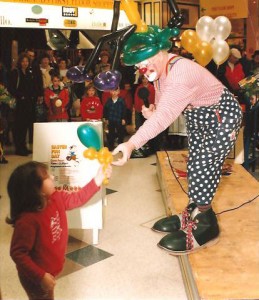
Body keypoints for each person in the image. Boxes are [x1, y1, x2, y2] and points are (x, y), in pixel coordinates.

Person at [112, 31, 242, 255]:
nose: (143, 70)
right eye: (139, 66)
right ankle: (194, 212)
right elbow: (163, 99)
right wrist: (154, 111)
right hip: (200, 117)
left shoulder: (181, 73)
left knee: (204, 166)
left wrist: (131, 144)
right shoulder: (164, 68)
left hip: (221, 117)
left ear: (161, 52)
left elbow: (166, 116)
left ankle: (207, 224)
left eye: (146, 63)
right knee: (194, 166)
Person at [6, 160, 112, 300]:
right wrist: (41, 276)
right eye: (47, 176)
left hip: (49, 271)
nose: (52, 177)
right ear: (36, 190)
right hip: (34, 278)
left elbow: (77, 198)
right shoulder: (27, 221)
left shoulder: (56, 197)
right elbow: (18, 253)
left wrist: (97, 179)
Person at [8, 53, 41, 156]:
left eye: (27, 61)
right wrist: (20, 96)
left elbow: (33, 86)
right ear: (20, 62)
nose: (25, 63)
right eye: (23, 61)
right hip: (19, 103)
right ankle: (19, 148)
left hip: (28, 103)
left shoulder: (29, 72)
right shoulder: (15, 72)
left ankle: (24, 147)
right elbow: (11, 88)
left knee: (26, 125)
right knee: (19, 126)